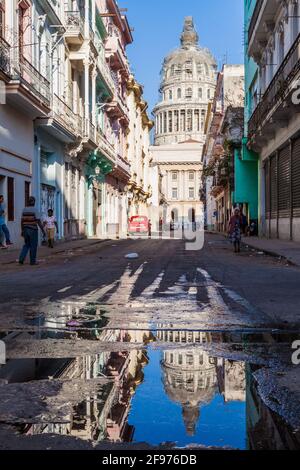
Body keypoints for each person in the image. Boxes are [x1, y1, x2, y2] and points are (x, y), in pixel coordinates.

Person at [19, 196, 46, 266]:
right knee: (33, 245)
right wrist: (43, 230)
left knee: (26, 245)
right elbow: (38, 221)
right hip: (33, 230)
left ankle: (21, 259)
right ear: (33, 202)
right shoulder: (35, 210)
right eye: (34, 201)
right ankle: (32, 261)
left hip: (25, 229)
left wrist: (22, 230)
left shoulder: (24, 209)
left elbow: (22, 221)